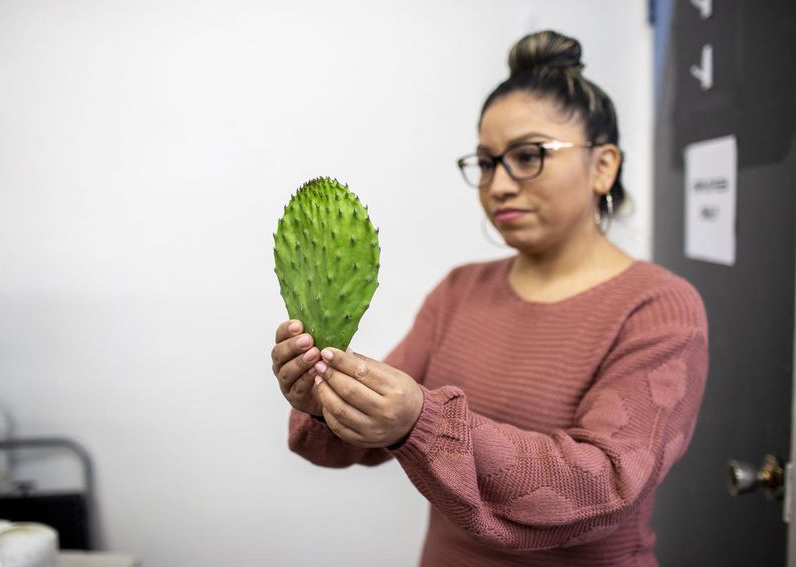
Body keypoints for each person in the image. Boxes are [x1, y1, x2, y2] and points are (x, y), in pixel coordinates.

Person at [270, 30, 708, 566]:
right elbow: (363, 436)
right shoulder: (460, 291)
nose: (498, 185)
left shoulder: (659, 307)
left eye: (529, 156)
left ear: (604, 166)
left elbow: (608, 486)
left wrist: (420, 422)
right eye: (485, 162)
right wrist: (325, 399)